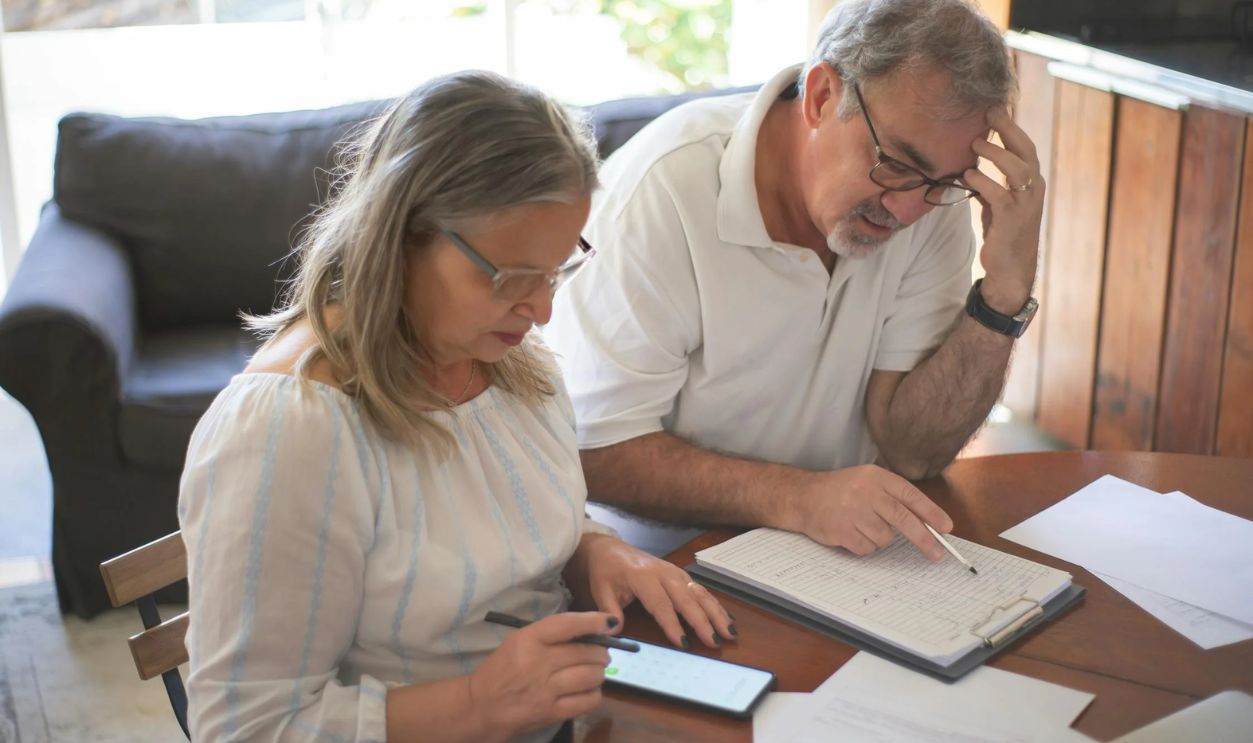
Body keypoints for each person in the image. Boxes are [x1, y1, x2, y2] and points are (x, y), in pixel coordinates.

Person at [178, 70, 735, 743]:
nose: (542, 309)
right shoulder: (288, 430)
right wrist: (477, 703)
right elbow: (245, 726)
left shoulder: (510, 363)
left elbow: (499, 516)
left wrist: (591, 551)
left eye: (558, 267)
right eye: (508, 276)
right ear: (401, 232)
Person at [544, 0, 1045, 561]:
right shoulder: (662, 194)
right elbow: (595, 451)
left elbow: (914, 454)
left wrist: (1003, 296)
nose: (905, 211)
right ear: (822, 97)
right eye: (896, 164)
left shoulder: (931, 201)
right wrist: (800, 498)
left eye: (944, 182)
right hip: (667, 566)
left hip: (840, 556)